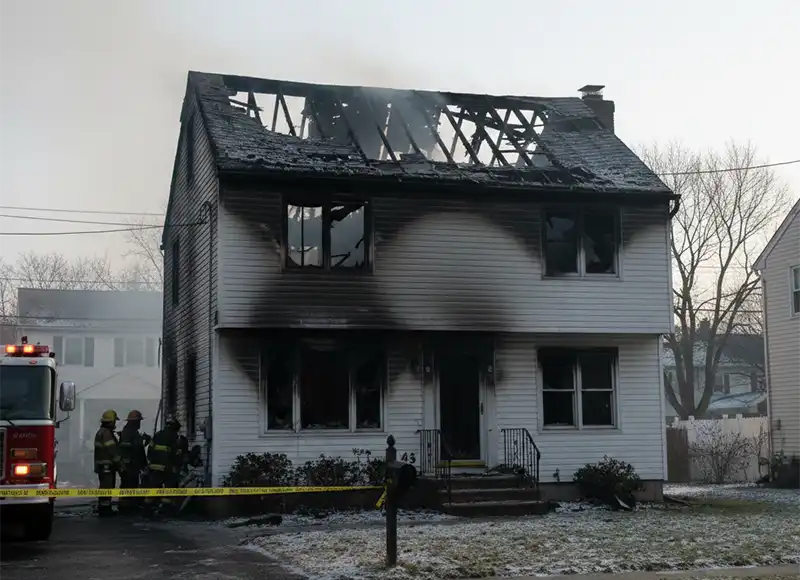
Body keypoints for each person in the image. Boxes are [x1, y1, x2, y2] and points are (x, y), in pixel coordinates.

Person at [143, 415, 182, 516]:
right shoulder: (173, 437)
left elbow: (150, 451)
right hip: (166, 467)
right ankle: (165, 509)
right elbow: (175, 453)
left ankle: (147, 509)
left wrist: (151, 463)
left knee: (153, 488)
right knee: (169, 487)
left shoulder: (157, 434)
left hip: (154, 466)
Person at [94, 409, 124, 517]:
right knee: (107, 486)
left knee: (104, 486)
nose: (115, 423)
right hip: (106, 466)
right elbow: (112, 450)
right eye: (114, 421)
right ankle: (105, 509)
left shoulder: (101, 432)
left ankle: (104, 507)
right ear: (111, 421)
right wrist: (120, 463)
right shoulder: (106, 433)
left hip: (102, 466)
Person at [118, 410, 148, 514]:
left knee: (130, 486)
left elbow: (137, 449)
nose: (139, 423)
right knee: (128, 486)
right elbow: (133, 450)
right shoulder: (128, 433)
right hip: (129, 466)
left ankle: (128, 507)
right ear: (134, 422)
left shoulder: (131, 432)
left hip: (131, 465)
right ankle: (126, 509)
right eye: (138, 421)